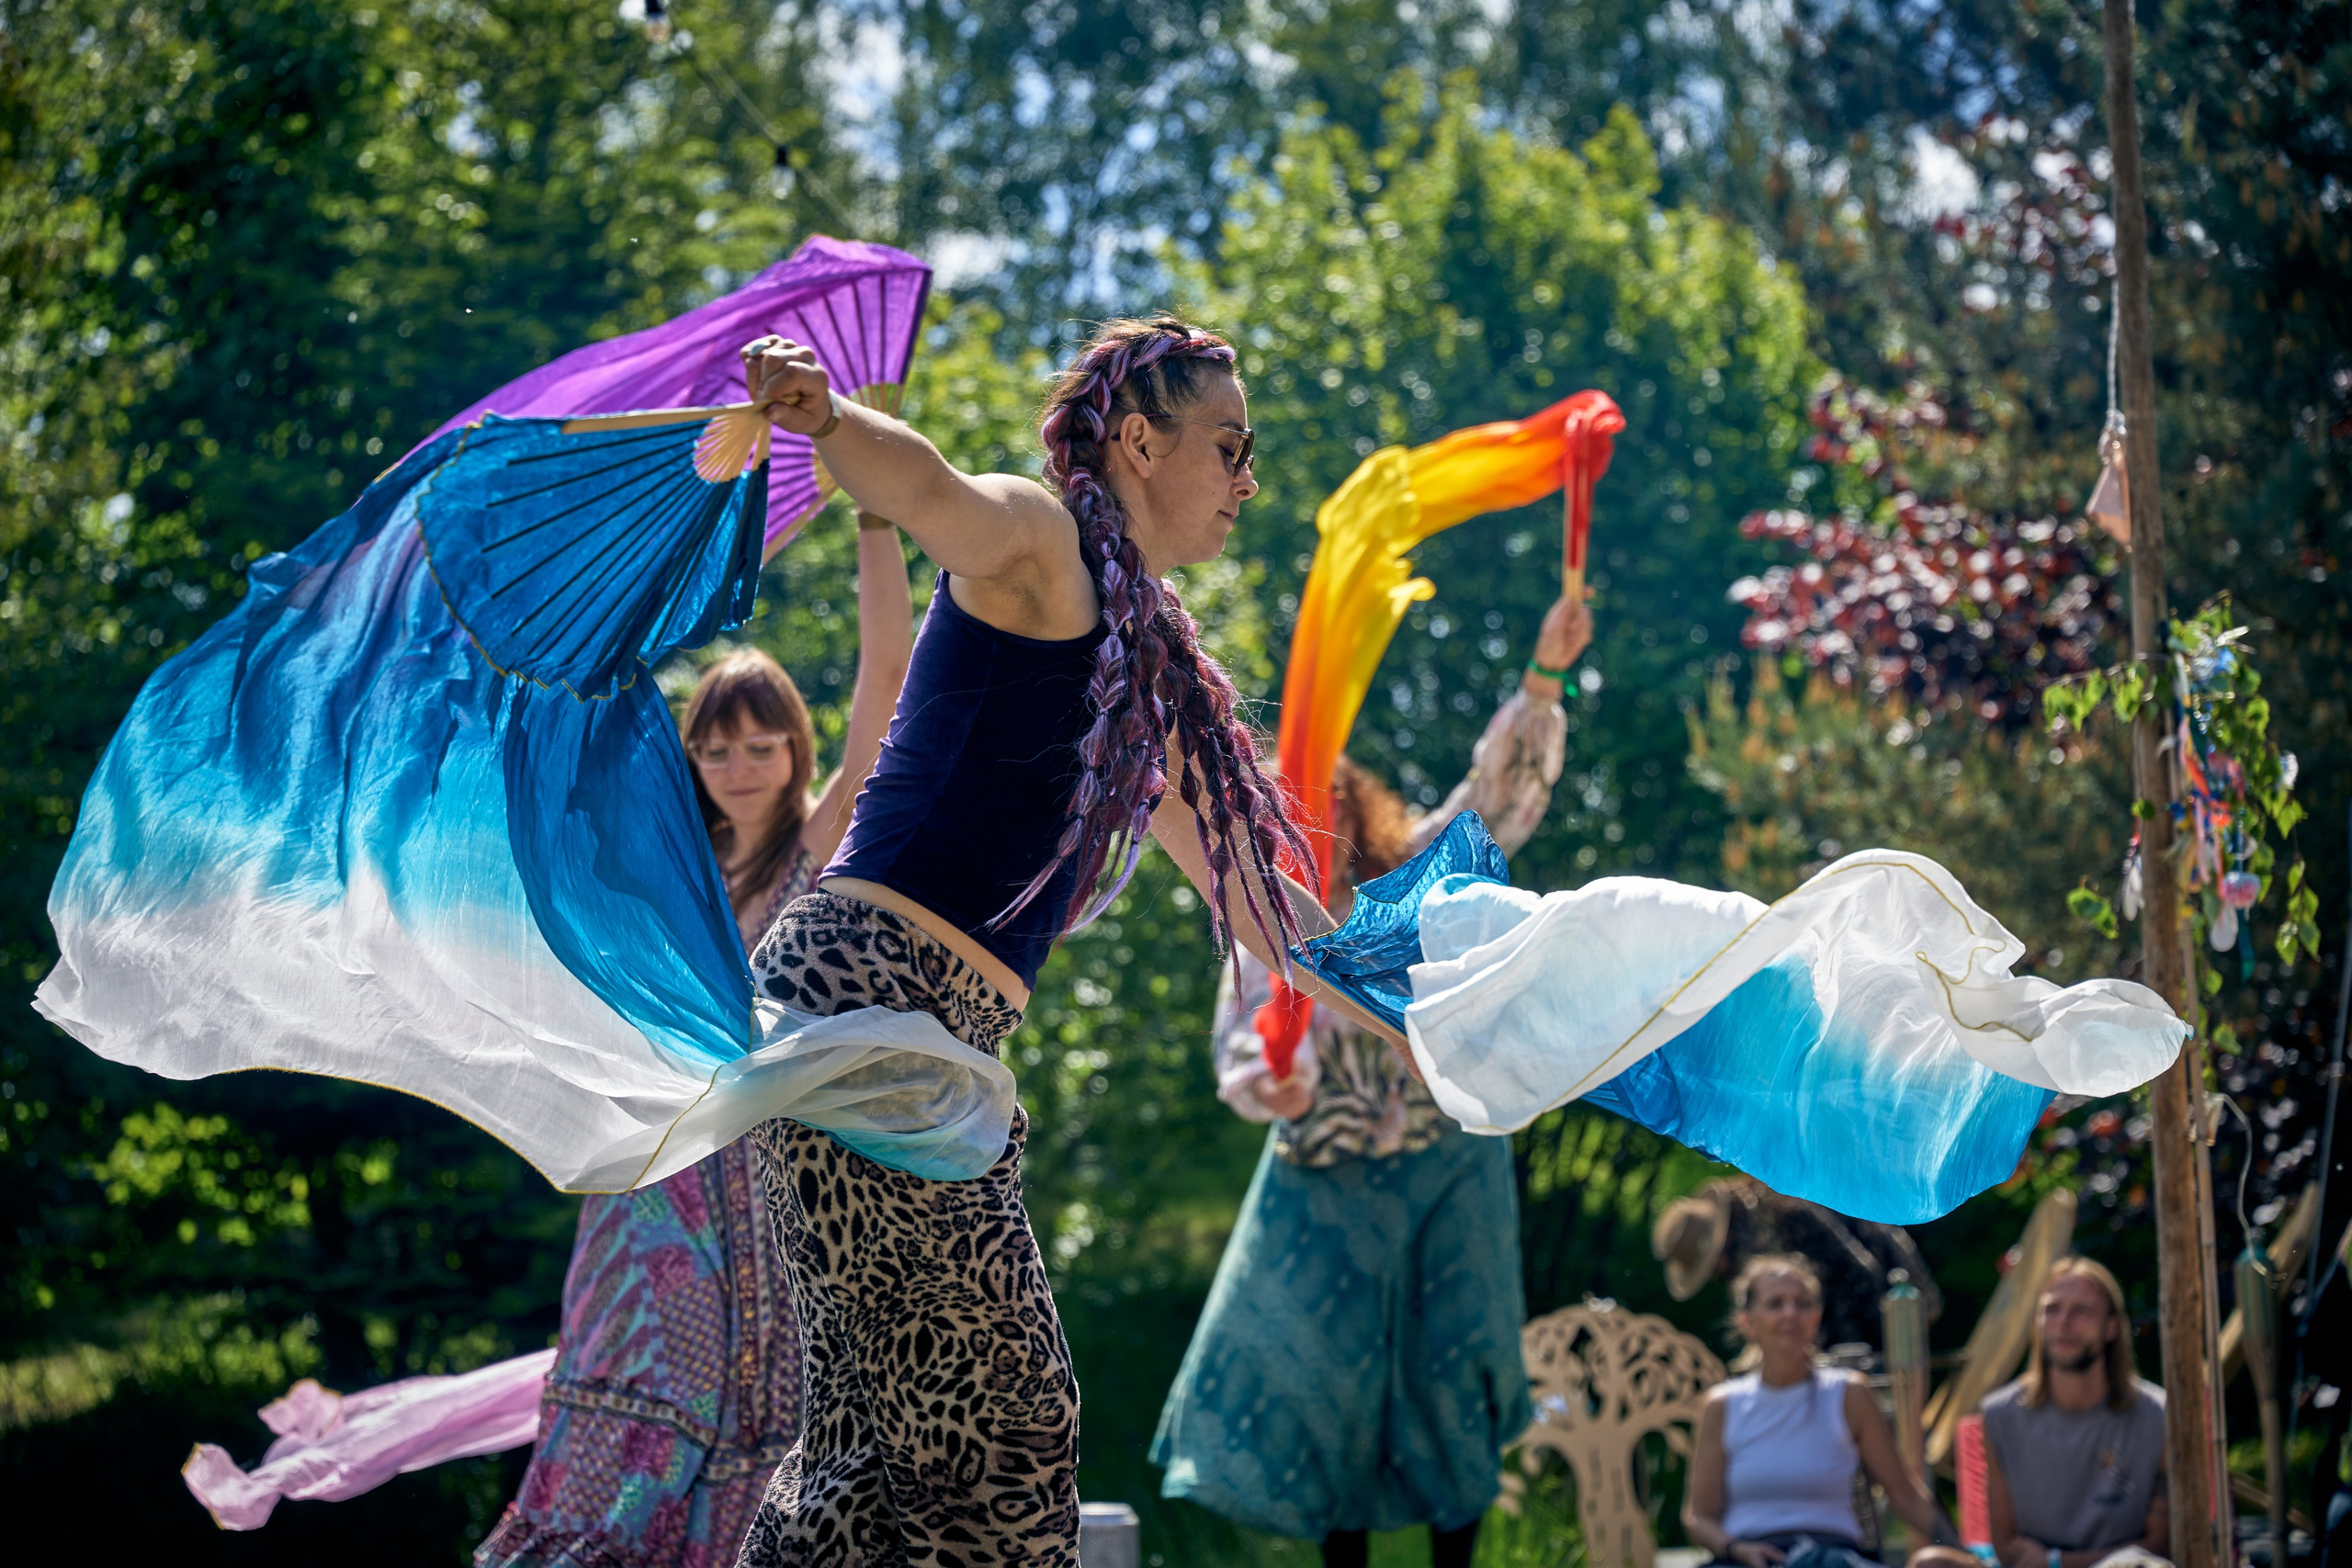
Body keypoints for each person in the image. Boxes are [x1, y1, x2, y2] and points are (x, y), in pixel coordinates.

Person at [729, 315, 1407, 1567]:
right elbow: (929, 487)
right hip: (869, 1003)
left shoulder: (1138, 671)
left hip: (903, 1023)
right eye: (1230, 446)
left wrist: (1443, 1016)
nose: (1249, 480)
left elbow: (1263, 905)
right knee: (1005, 1429)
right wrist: (826, 420)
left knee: (882, 1449)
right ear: (1139, 443)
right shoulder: (1040, 550)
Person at [476, 518, 913, 1568]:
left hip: (777, 1188)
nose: (738, 766)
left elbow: (887, 693)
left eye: (761, 746)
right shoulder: (675, 879)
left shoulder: (818, 848)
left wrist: (877, 517)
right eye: (715, 749)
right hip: (660, 1179)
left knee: (774, 1410)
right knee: (642, 1379)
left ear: (794, 751)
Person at [1151, 590, 1587, 1568]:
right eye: (1284, 800)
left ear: (1353, 798)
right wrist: (1272, 1088)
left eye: (1323, 793)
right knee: (1324, 1379)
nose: (1309, 812)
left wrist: (1545, 676)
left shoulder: (1414, 887)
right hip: (1326, 1171)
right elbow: (1242, 1046)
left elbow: (1496, 797)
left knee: (1454, 1361)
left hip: (1444, 1164)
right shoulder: (1263, 926)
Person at [1685, 1255, 1946, 1568]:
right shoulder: (1723, 1405)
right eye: (1775, 1304)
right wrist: (1736, 1547)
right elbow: (1698, 1516)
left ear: (1816, 1317)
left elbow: (1905, 1496)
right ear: (1747, 1322)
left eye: (1802, 1303)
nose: (1790, 1313)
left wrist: (1963, 1552)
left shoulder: (1848, 1394)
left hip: (1831, 1556)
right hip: (1747, 1557)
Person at [1907, 1258, 2169, 1568]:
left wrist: (2057, 1562)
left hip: (2120, 1566)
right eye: (2051, 1309)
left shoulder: (2158, 1413)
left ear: (2112, 1326)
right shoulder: (1999, 1414)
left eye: (2081, 1310)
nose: (2064, 1322)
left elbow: (2160, 1546)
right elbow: (2005, 1547)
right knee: (1930, 1562)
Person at [1654, 1175, 1944, 1352]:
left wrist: (1849, 1361)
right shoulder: (1750, 1237)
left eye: (1709, 1264)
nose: (1714, 1274)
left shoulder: (1783, 1211)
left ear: (1722, 1239)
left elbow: (1858, 1275)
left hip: (1892, 1301)